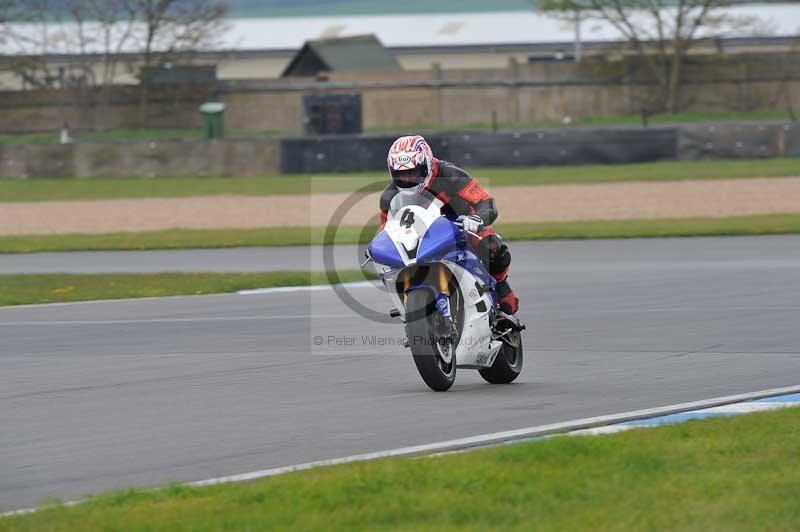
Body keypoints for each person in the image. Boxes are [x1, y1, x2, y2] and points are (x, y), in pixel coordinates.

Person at [379, 135, 519, 316]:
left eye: (413, 172)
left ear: (427, 165)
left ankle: (501, 284)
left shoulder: (450, 175)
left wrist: (477, 219)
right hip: (424, 237)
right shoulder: (388, 197)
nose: (407, 179)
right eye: (400, 174)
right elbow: (387, 229)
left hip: (462, 226)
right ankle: (410, 305)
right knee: (389, 266)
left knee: (493, 247)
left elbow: (486, 203)